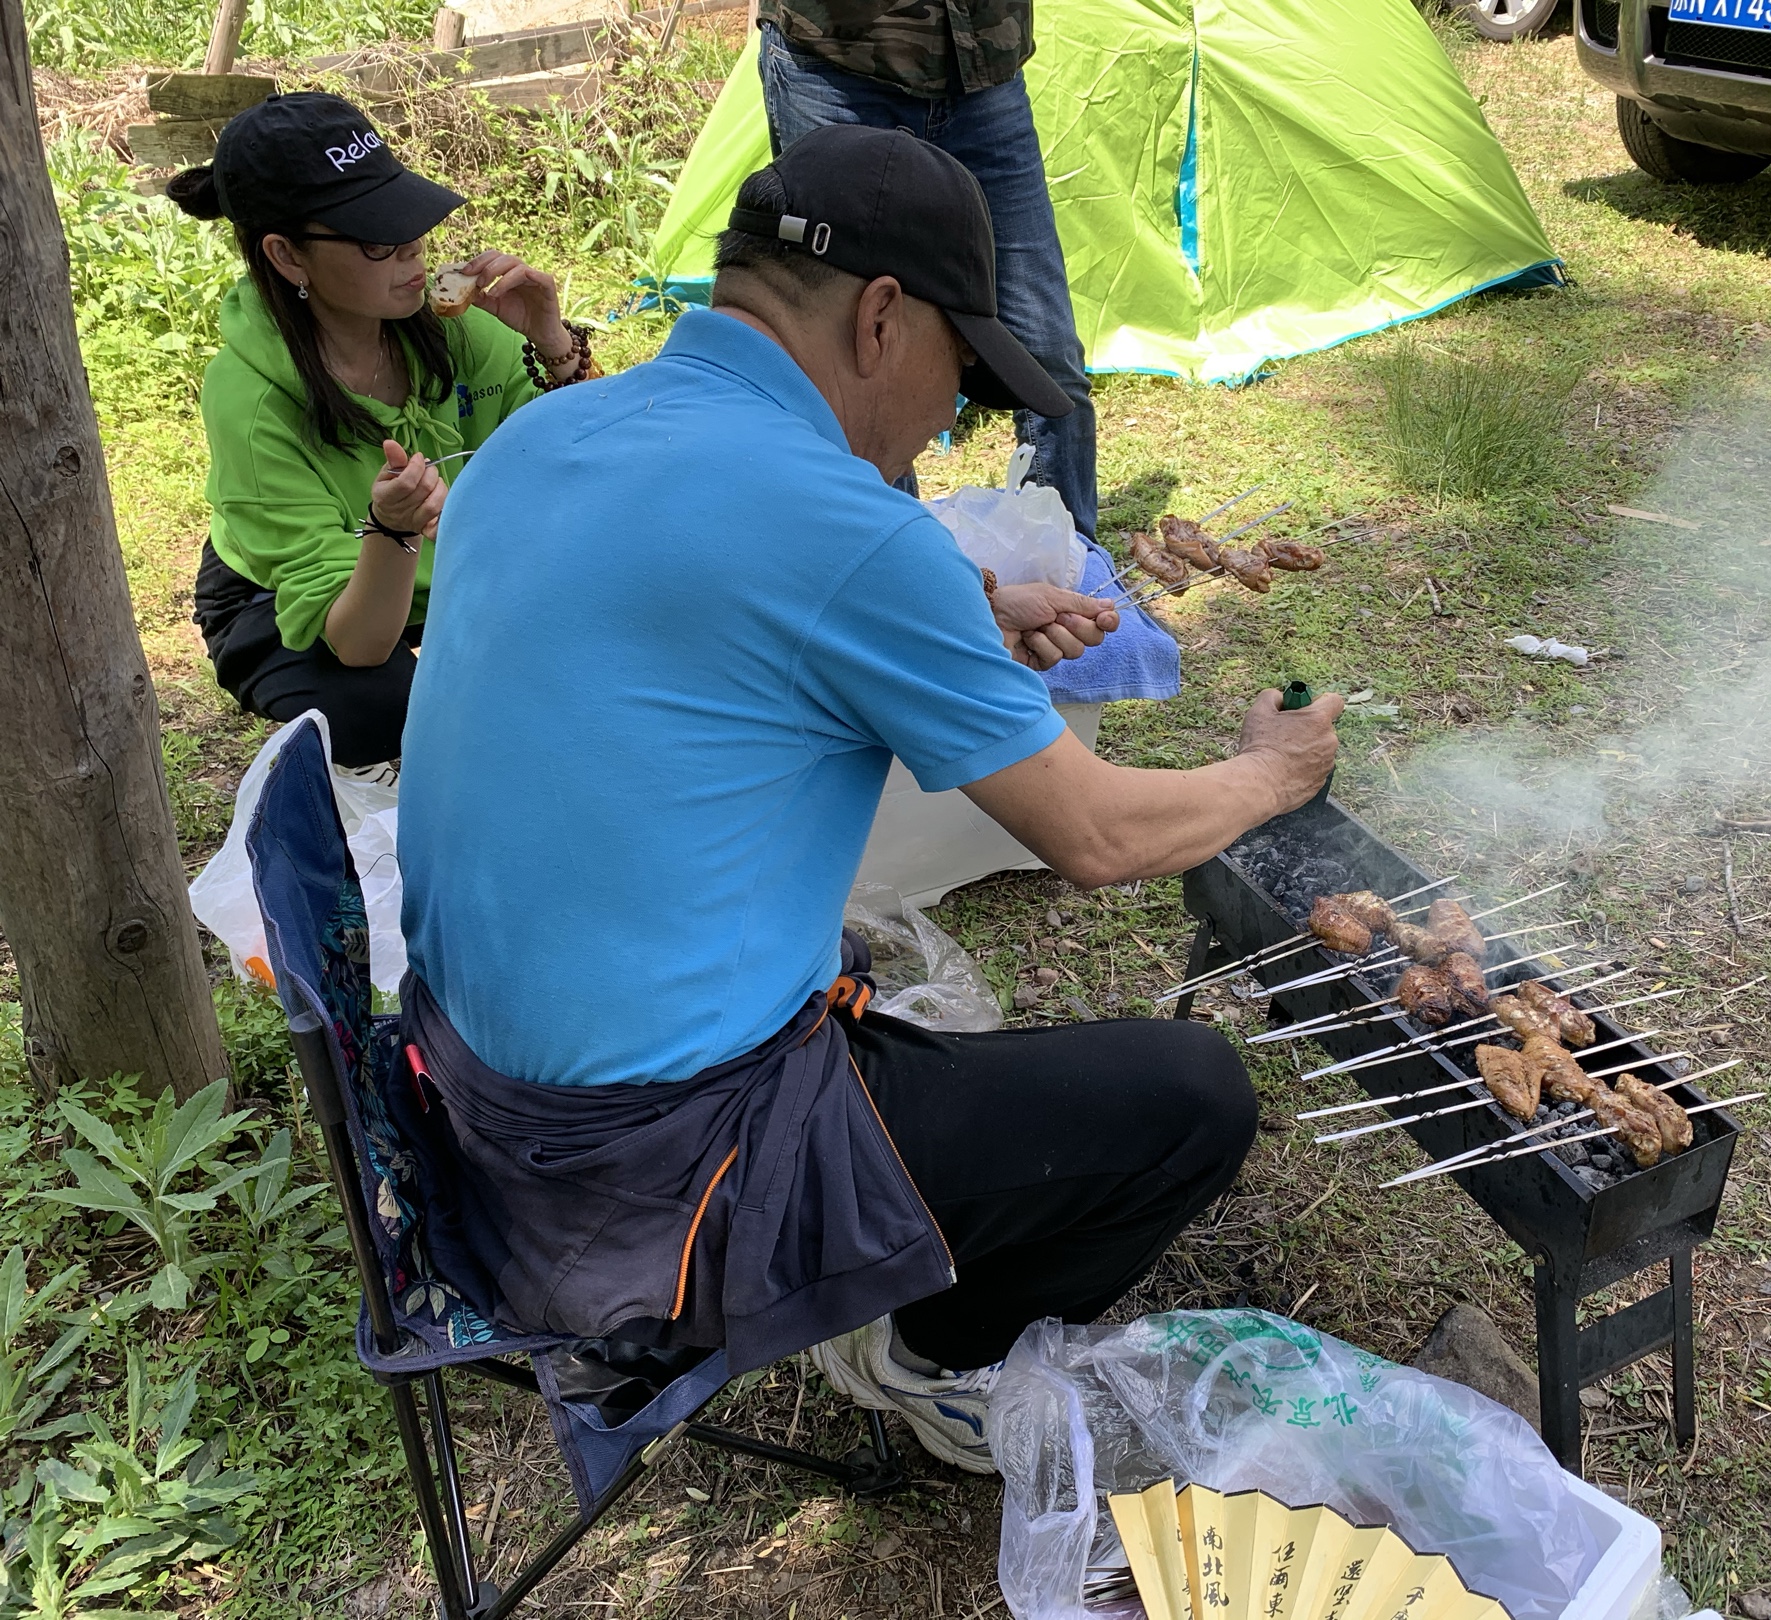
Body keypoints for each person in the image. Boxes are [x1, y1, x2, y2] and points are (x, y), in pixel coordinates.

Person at [394, 126, 1343, 1474]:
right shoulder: (847, 528)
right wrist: (1271, 773)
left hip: (463, 1113)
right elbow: (1096, 835)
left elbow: (708, 626)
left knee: (858, 980)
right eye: (962, 372)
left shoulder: (547, 436)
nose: (953, 418)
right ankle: (934, 1361)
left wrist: (967, 615)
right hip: (646, 1195)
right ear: (883, 319)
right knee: (1192, 1096)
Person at [165, 93, 599, 770]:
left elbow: (602, 467)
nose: (414, 257)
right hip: (292, 598)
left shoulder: (452, 331)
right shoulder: (250, 400)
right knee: (389, 709)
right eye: (378, 242)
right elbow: (359, 642)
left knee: (605, 621)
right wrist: (392, 530)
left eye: (411, 227)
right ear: (287, 256)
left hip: (443, 560)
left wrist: (552, 340)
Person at [755, 0, 1097, 538]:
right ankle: (894, 581)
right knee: (854, 362)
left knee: (1047, 352)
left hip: (984, 70)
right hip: (835, 66)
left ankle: (1072, 575)